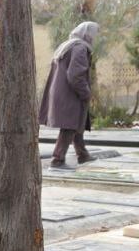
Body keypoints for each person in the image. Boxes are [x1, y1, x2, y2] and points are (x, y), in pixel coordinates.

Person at [39, 21, 98, 169]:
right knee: (70, 126)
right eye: (93, 34)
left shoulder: (68, 45)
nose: (94, 38)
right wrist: (85, 92)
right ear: (87, 34)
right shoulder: (80, 48)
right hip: (70, 93)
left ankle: (82, 154)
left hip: (62, 92)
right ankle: (57, 160)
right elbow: (75, 75)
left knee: (75, 123)